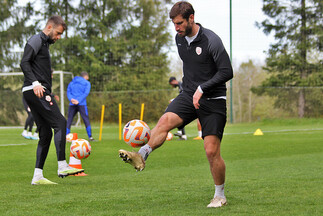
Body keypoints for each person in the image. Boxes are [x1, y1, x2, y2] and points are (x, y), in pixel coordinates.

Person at [119, 1, 233, 208]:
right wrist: (187, 91)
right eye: (173, 23)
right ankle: (141, 155)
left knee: (211, 151)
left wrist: (203, 88)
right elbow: (192, 68)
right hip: (189, 94)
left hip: (213, 99)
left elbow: (227, 72)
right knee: (164, 121)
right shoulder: (179, 39)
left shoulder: (211, 40)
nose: (176, 28)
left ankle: (220, 195)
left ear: (191, 18)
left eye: (179, 23)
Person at [20, 15, 84, 185]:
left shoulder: (44, 44)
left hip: (35, 91)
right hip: (36, 91)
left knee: (46, 133)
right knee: (60, 123)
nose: (58, 37)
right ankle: (62, 166)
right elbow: (24, 62)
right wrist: (35, 83)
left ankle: (37, 176)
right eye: (57, 33)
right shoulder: (36, 39)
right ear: (49, 27)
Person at [66, 71, 94, 141]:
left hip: (72, 103)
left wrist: (71, 99)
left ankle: (66, 136)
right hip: (82, 104)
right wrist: (78, 100)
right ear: (86, 76)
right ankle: (90, 137)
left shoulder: (71, 83)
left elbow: (68, 92)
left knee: (69, 119)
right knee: (86, 119)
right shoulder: (87, 83)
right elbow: (86, 93)